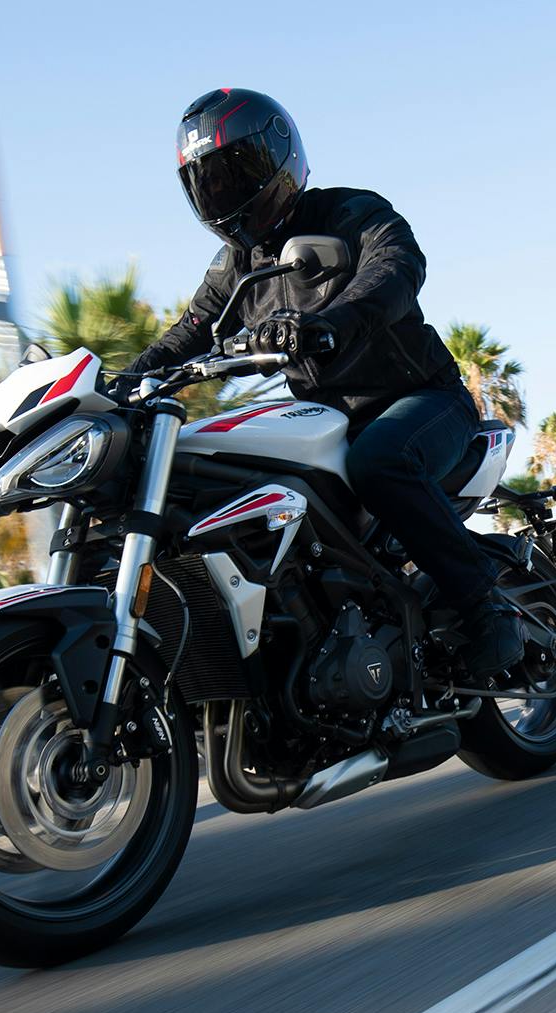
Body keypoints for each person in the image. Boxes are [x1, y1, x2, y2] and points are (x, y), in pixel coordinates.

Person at [131, 88, 520, 673]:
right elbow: (187, 332)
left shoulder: (350, 213)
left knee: (379, 462)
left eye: (235, 174)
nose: (223, 193)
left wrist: (329, 325)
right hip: (327, 423)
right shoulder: (236, 267)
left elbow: (395, 270)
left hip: (420, 399)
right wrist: (122, 382)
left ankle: (484, 604)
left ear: (276, 160)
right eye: (208, 182)